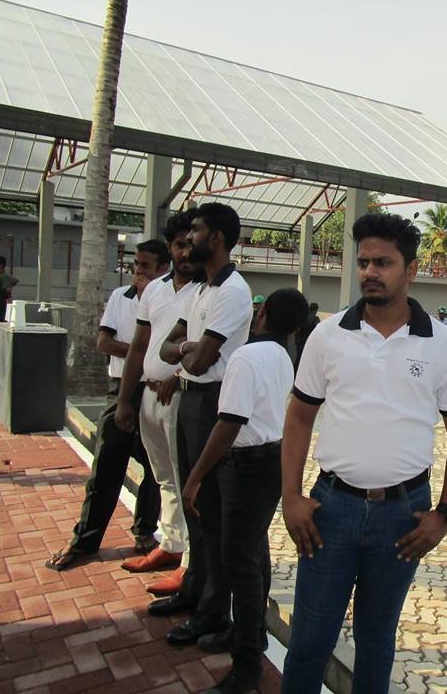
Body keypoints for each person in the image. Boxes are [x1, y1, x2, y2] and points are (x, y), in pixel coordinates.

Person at [280, 213, 447, 694]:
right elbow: (299, 417)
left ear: (411, 269)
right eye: (363, 262)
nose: (369, 272)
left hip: (404, 516)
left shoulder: (443, 345)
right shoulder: (328, 336)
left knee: (377, 638)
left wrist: (445, 513)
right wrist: (290, 497)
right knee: (309, 639)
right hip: (330, 509)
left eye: (383, 262)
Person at [181, 287, 309, 694]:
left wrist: (196, 476)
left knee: (240, 562)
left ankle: (247, 662)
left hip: (246, 466)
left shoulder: (246, 357)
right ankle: (249, 634)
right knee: (254, 554)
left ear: (262, 312)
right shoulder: (284, 355)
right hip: (270, 460)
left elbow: (230, 422)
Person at [150, 203, 253, 648]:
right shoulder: (200, 289)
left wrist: (186, 351)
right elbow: (168, 348)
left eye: (196, 230)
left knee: (208, 508)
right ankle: (194, 590)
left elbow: (202, 360)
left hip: (213, 402)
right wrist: (186, 349)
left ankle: (212, 611)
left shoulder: (233, 291)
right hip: (190, 399)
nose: (189, 237)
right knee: (194, 505)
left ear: (218, 237)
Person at [44, 240, 170, 571]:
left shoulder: (170, 300)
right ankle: (85, 540)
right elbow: (104, 342)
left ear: (163, 269)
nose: (138, 271)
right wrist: (141, 352)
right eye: (136, 264)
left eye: (146, 265)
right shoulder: (120, 297)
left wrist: (142, 352)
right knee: (106, 467)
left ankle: (145, 531)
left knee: (155, 470)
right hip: (121, 390)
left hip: (155, 391)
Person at [114, 215, 204, 593]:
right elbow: (139, 345)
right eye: (179, 244)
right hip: (150, 394)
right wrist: (125, 400)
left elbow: (214, 350)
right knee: (163, 476)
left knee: (188, 481)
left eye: (192, 244)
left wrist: (178, 375)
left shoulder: (208, 291)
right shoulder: (154, 290)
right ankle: (170, 544)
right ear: (170, 248)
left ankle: (192, 562)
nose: (186, 252)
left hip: (184, 396)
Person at [294, 301, 320, 372]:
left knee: (297, 359)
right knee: (306, 360)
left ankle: (295, 373)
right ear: (316, 310)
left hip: (299, 342)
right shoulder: (315, 319)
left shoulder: (303, 317)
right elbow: (318, 331)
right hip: (308, 343)